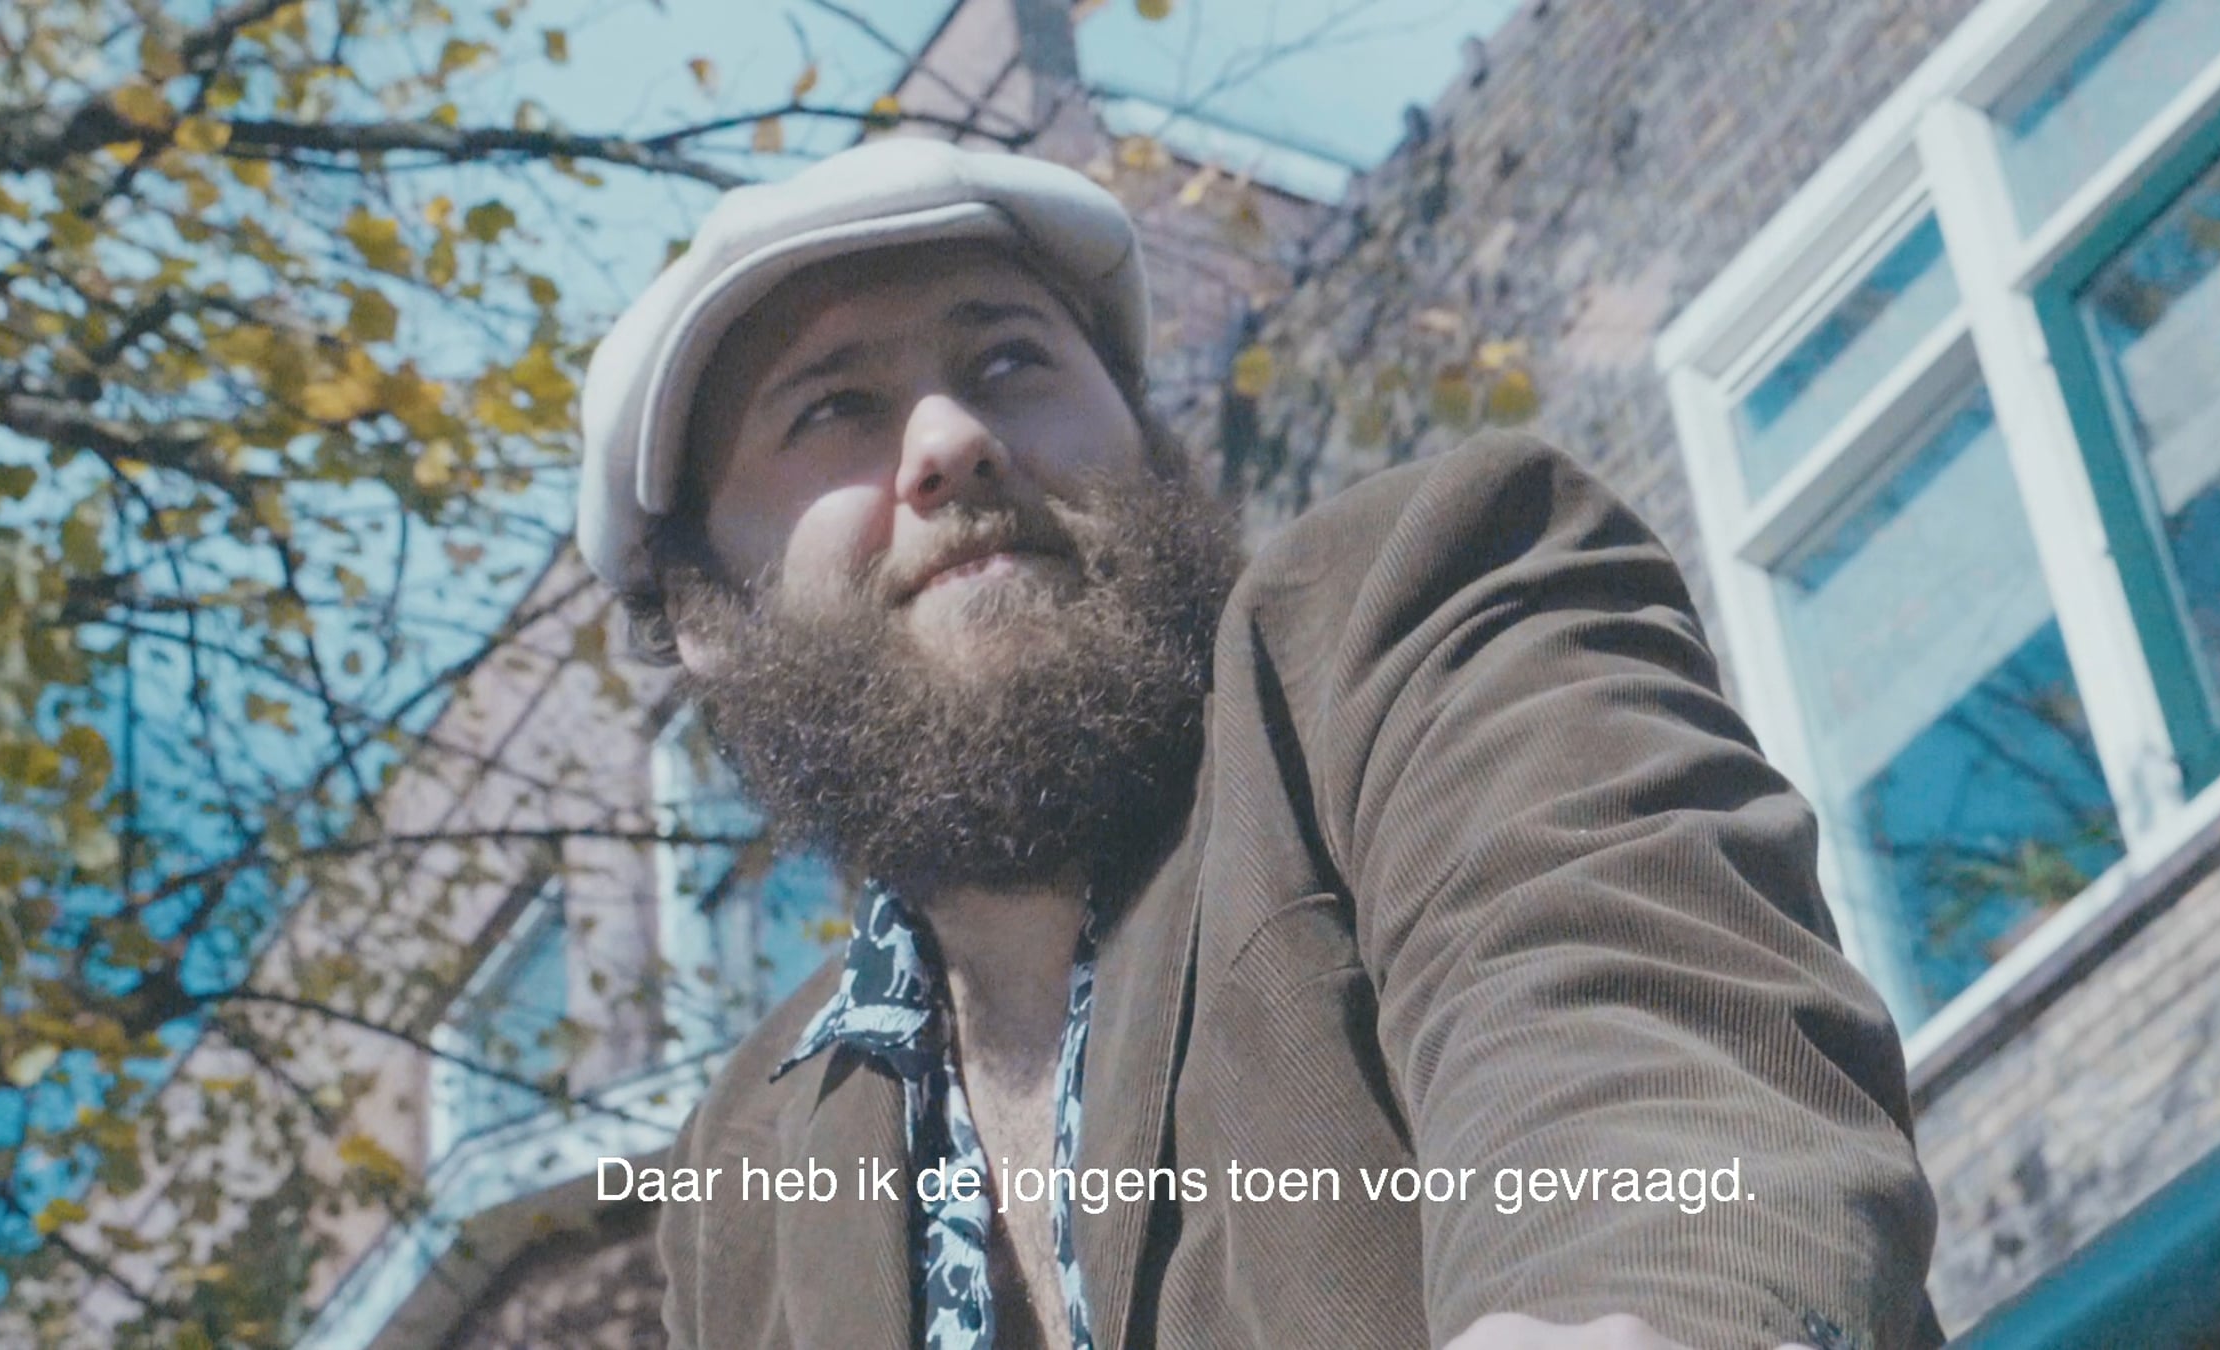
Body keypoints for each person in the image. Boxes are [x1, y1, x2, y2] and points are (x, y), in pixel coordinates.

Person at [577, 137, 1942, 1350]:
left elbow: (1620, 1023)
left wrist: (1625, 1308)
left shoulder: (1405, 620)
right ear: (700, 613)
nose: (953, 438)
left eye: (1008, 362)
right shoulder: (743, 1170)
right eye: (831, 408)